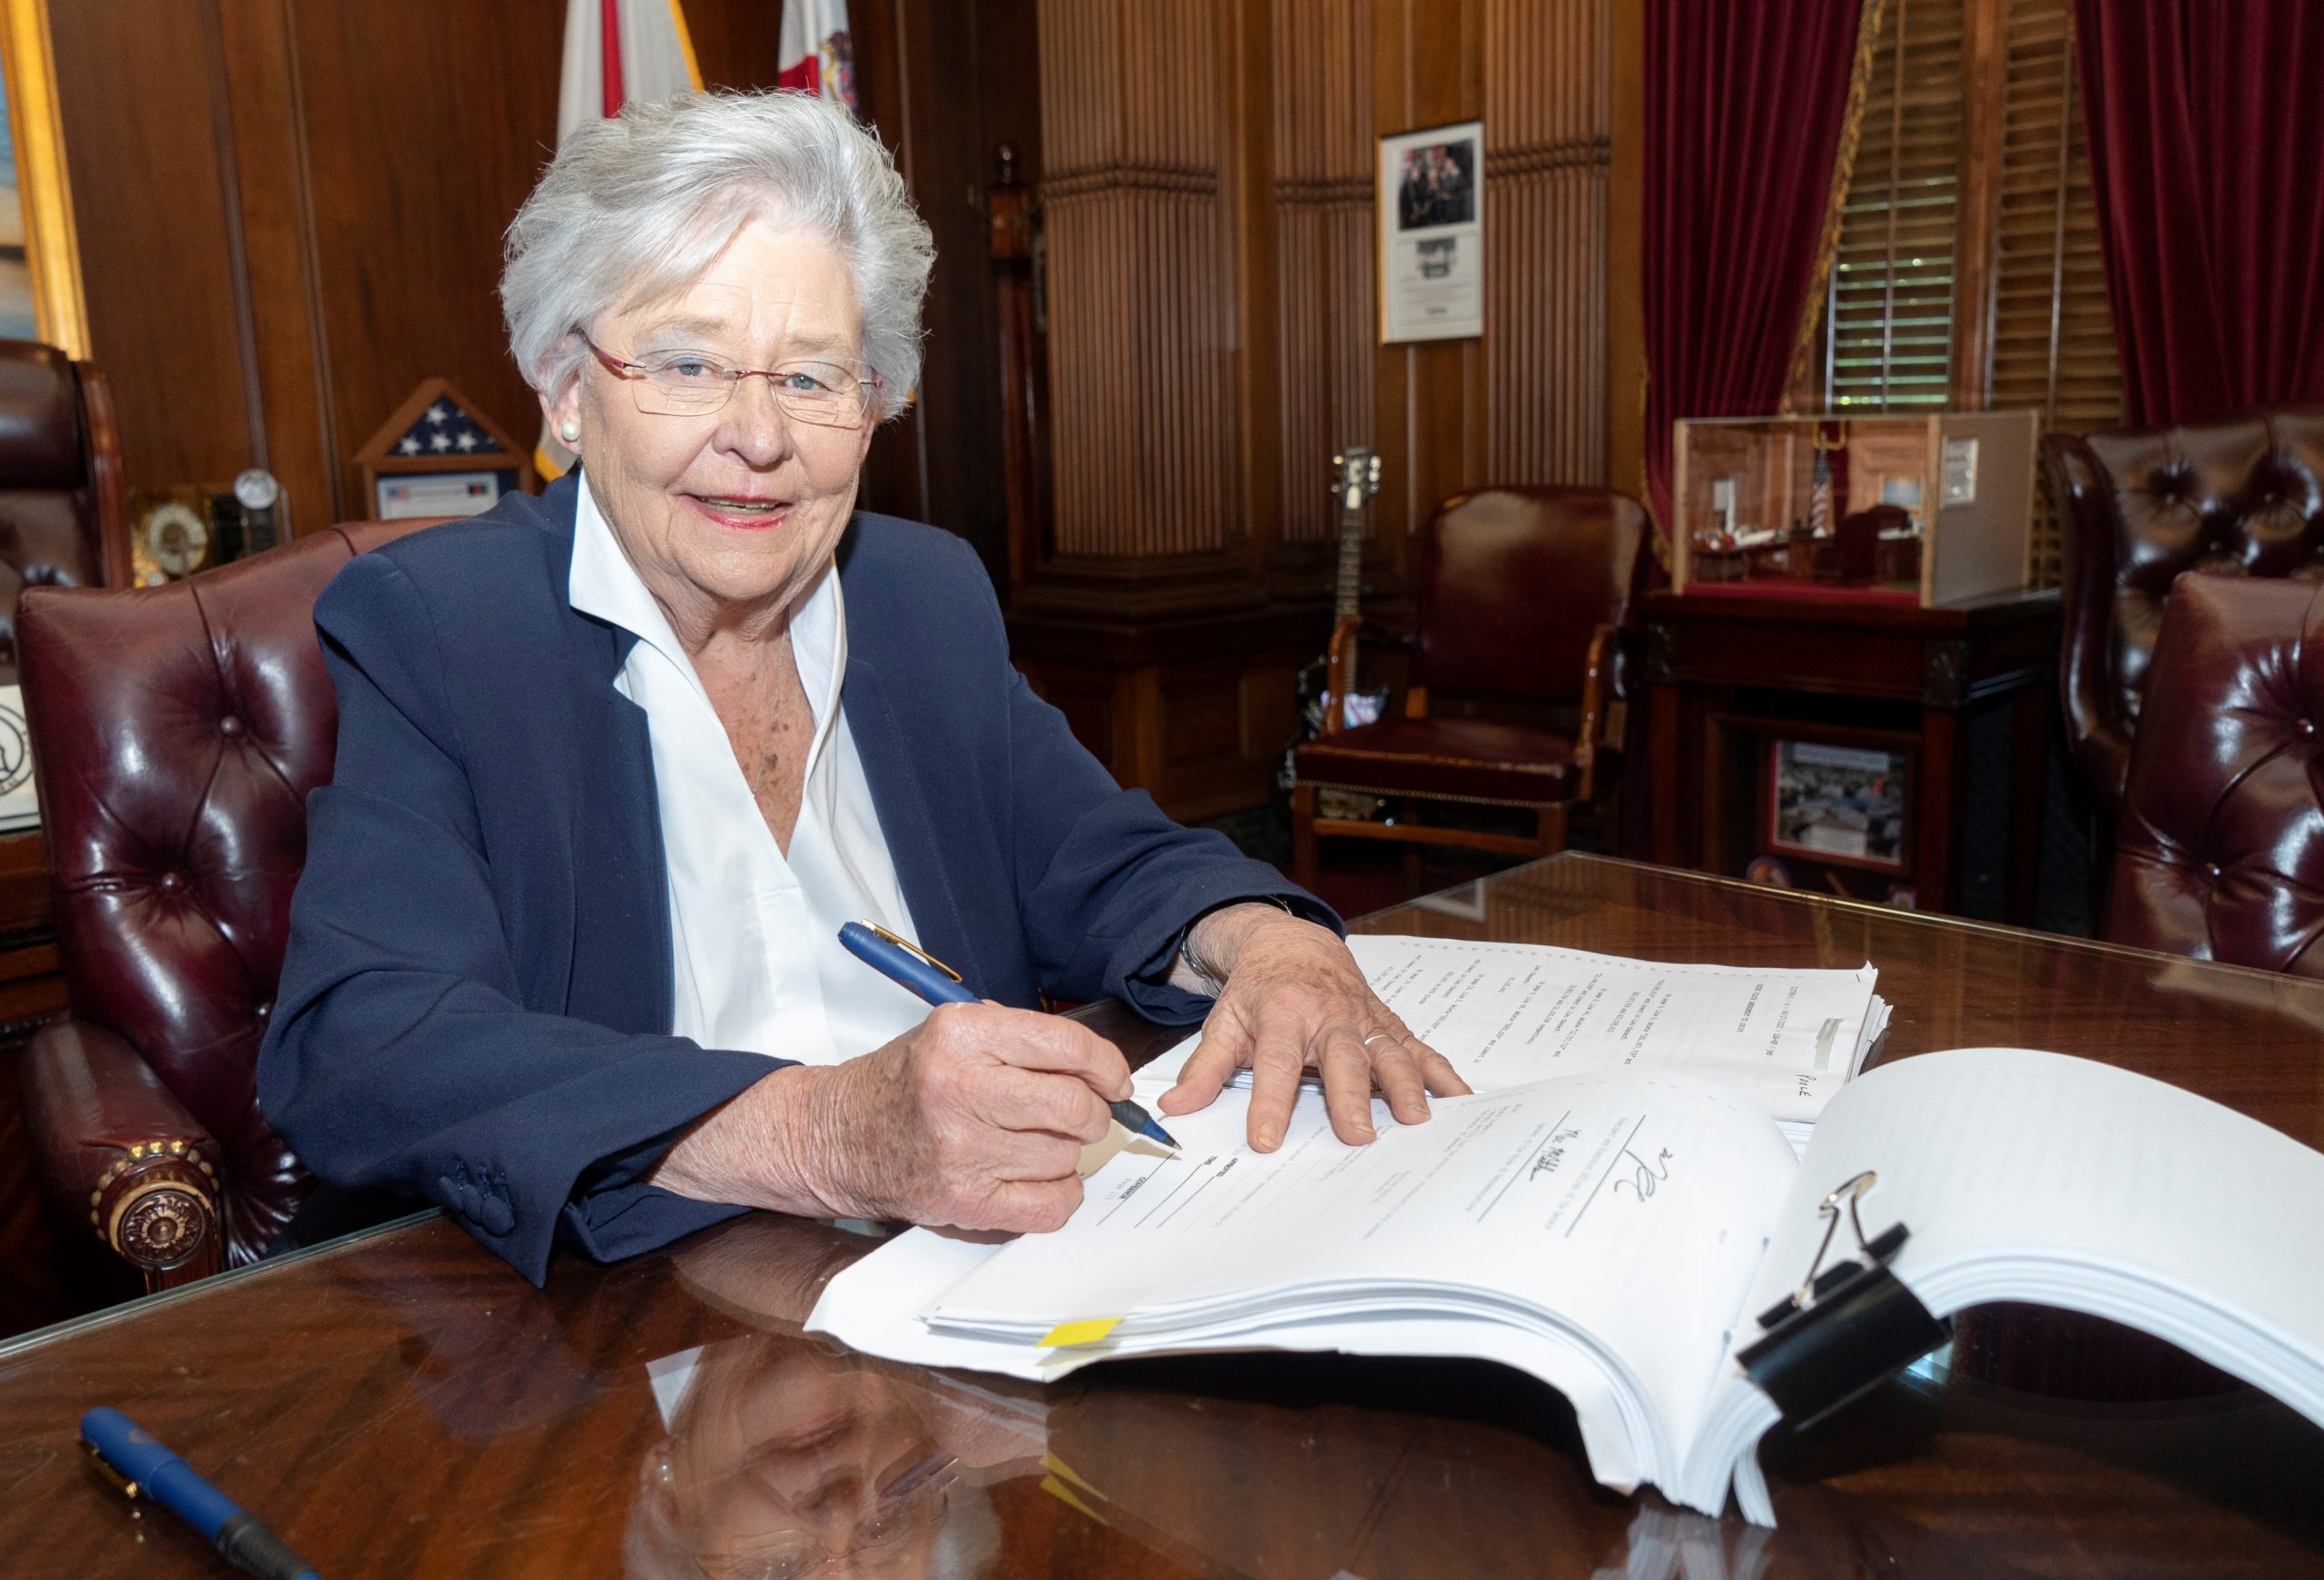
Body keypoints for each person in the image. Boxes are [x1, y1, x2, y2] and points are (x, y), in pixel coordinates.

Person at [256, 89, 1468, 1285]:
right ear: (571, 393)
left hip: (979, 1286)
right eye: (688, 363)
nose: (757, 436)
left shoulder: (920, 597)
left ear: (872, 405)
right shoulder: (446, 629)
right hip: (628, 1327)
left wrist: (1265, 943)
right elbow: (367, 1042)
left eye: (811, 377)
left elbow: (1107, 859)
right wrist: (826, 1134)